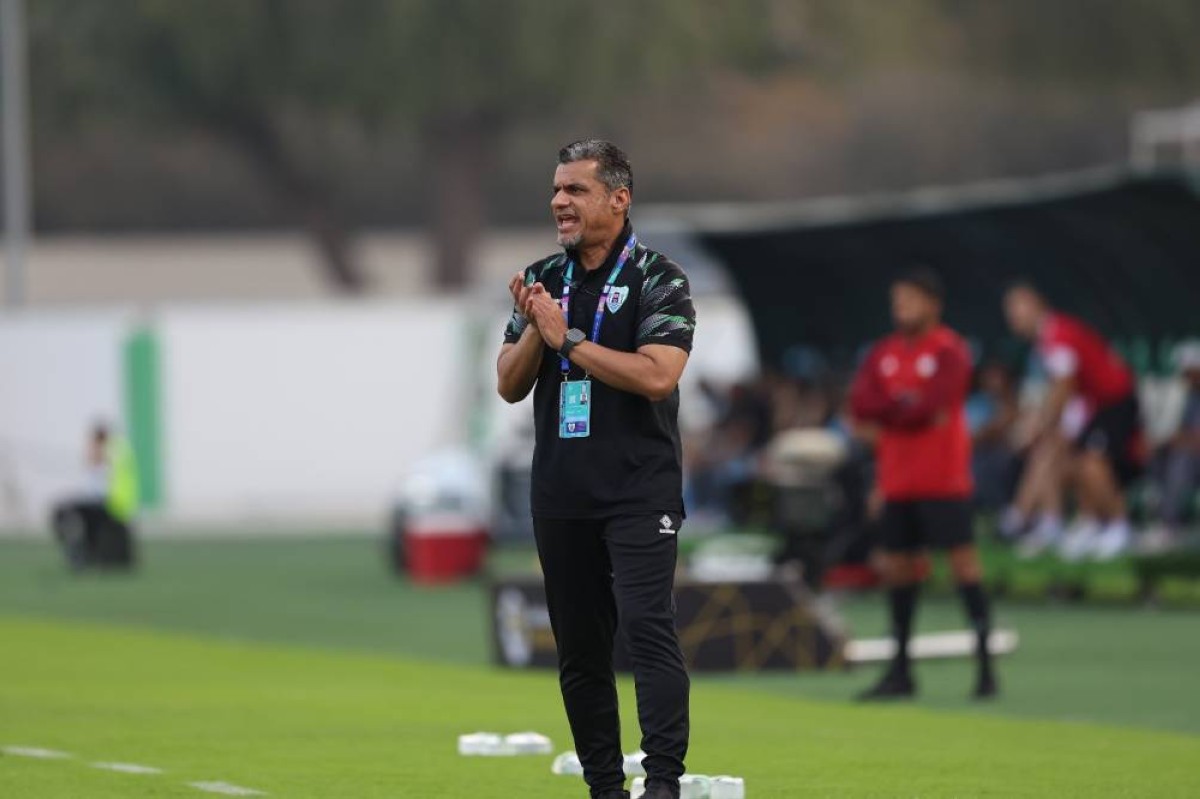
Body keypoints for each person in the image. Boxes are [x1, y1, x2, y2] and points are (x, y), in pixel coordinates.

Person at [496, 140, 695, 799]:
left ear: (618, 198)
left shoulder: (659, 277)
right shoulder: (541, 278)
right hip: (562, 492)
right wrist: (536, 325)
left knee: (646, 629)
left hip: (639, 489)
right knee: (580, 650)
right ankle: (605, 789)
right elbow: (508, 384)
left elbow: (658, 376)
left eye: (575, 190)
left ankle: (662, 783)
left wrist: (570, 340)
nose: (559, 201)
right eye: (556, 189)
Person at [849, 268, 996, 700]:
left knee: (964, 567)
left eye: (910, 300)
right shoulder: (883, 352)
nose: (901, 309)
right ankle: (900, 672)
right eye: (897, 301)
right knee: (897, 570)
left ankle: (986, 670)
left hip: (944, 480)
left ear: (933, 304)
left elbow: (931, 404)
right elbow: (861, 403)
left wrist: (894, 409)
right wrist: (905, 406)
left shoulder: (951, 350)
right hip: (897, 481)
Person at [1003, 282, 1144, 560]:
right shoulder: (1046, 340)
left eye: (1018, 307)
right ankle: (1084, 522)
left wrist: (1043, 424)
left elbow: (1064, 386)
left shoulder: (1058, 333)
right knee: (1070, 459)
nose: (1013, 317)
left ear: (1037, 305)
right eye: (1009, 310)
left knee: (1093, 463)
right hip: (1093, 405)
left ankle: (1119, 527)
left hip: (1114, 401)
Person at [51, 422, 139, 570]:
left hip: (112, 503)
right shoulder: (119, 449)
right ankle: (86, 552)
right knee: (75, 512)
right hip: (114, 503)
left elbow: (100, 463)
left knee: (62, 512)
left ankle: (78, 554)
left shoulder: (113, 450)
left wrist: (94, 455)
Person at [1146, 342, 1200, 548]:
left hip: (1192, 456)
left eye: (1190, 371)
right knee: (1158, 454)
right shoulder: (1187, 396)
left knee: (1181, 459)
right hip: (1188, 453)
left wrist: (1180, 440)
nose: (1185, 376)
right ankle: (1156, 515)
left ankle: (1169, 525)